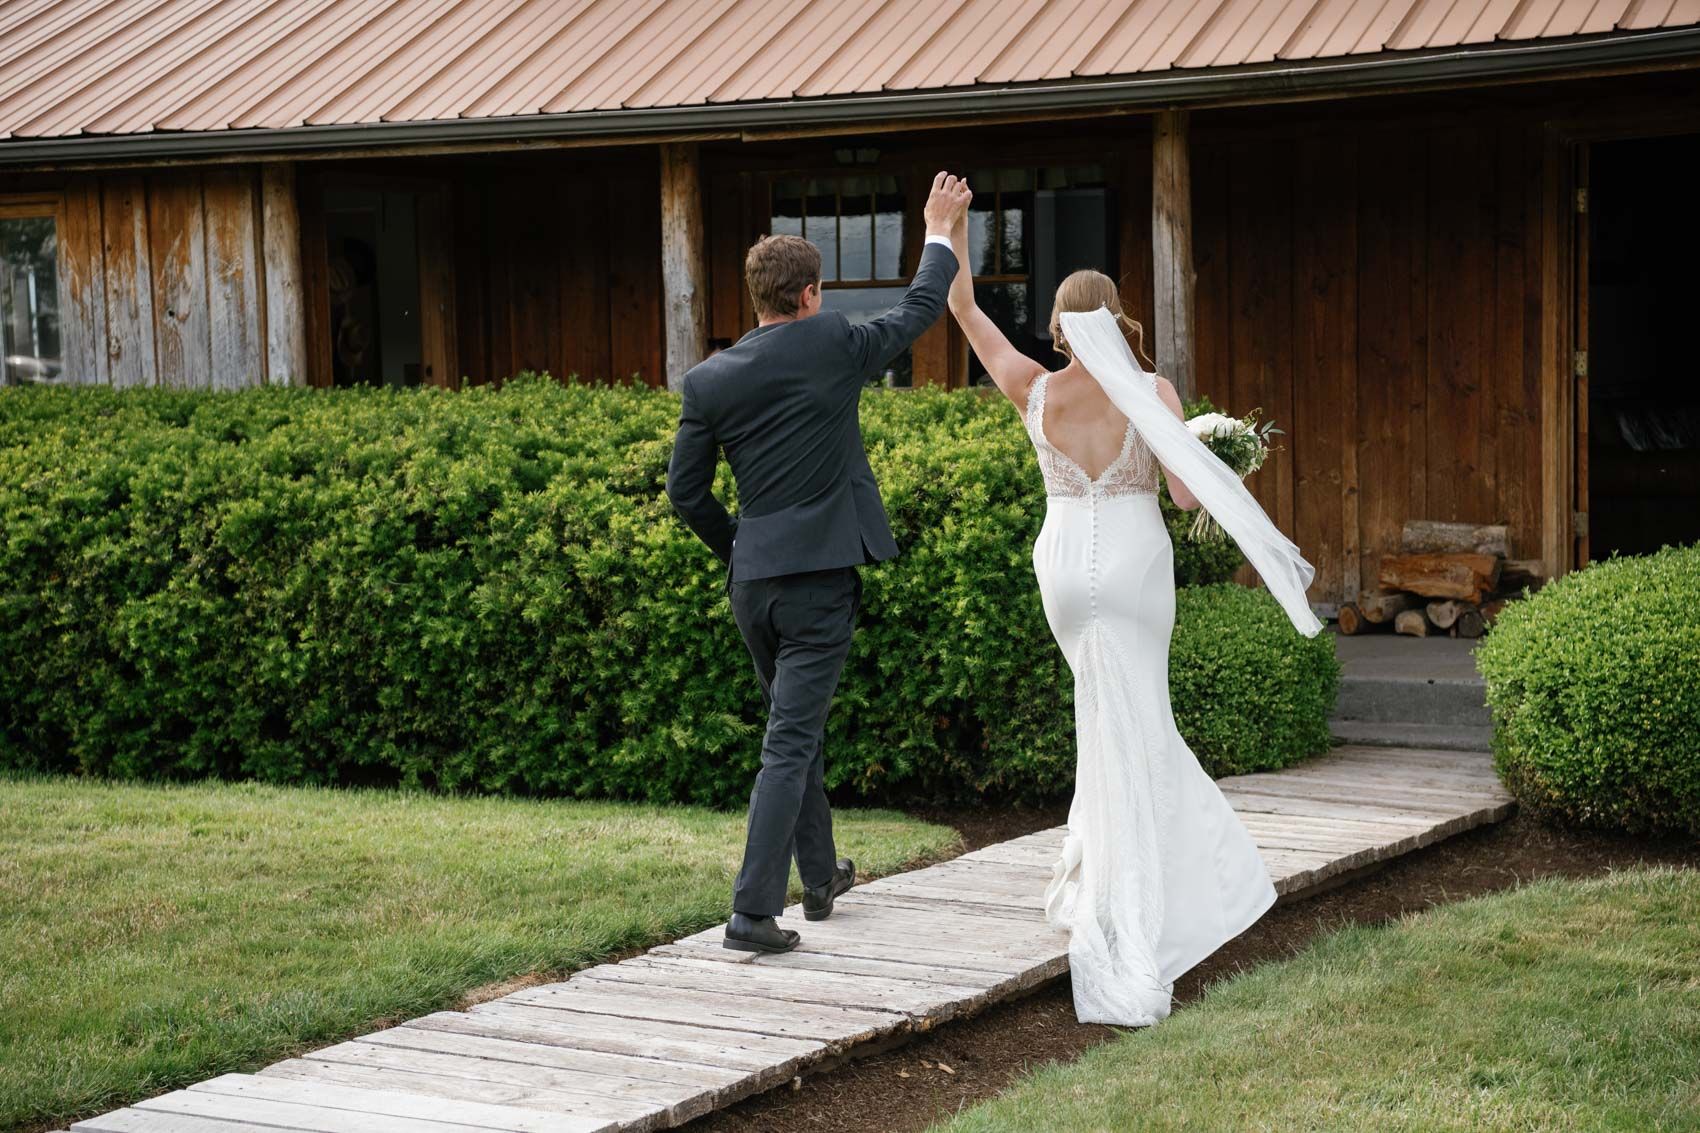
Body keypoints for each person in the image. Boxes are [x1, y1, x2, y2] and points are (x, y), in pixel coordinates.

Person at [944, 202, 1323, 1024]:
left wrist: (949, 234)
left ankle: (1108, 875)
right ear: (1117, 321)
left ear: (1059, 327)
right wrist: (1222, 457)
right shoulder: (1151, 391)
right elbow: (1186, 492)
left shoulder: (1033, 390)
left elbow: (964, 308)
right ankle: (1152, 906)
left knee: (1103, 725)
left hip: (1064, 577)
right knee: (1143, 727)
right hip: (1133, 567)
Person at [666, 172, 974, 954]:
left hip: (752, 584)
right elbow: (917, 310)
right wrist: (938, 230)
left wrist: (736, 547)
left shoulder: (709, 380)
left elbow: (685, 494)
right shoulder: (834, 343)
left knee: (791, 729)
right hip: (816, 585)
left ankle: (822, 873)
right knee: (789, 741)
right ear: (809, 294)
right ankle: (751, 912)